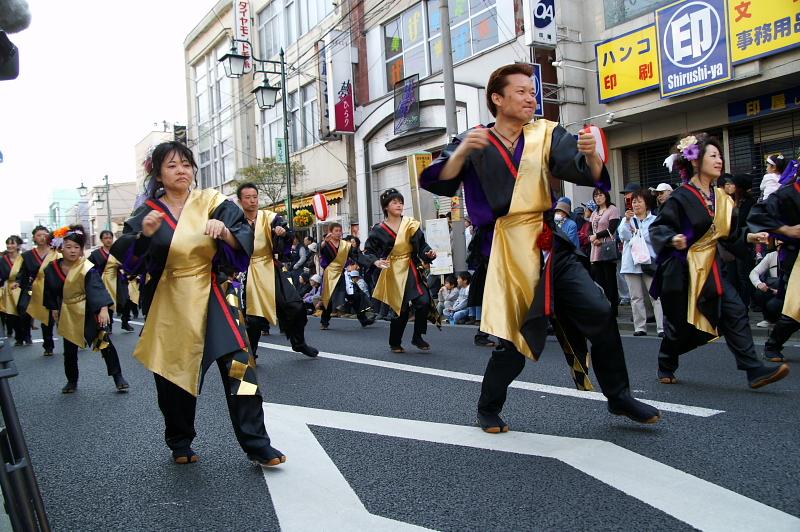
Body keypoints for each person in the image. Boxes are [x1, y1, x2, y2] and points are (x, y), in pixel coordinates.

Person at [420, 63, 660, 430]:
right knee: (515, 342)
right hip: (504, 249)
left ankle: (619, 396)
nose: (531, 97)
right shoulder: (475, 138)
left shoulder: (546, 133)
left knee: (598, 308)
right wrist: (460, 153)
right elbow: (437, 181)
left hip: (549, 243)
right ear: (497, 99)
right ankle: (488, 406)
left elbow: (583, 169)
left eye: (533, 91)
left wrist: (593, 154)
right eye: (521, 91)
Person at [111, 141, 285, 467]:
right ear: (159, 175)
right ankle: (179, 439)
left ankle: (257, 443)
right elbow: (129, 261)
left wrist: (227, 234)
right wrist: (145, 236)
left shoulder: (211, 202)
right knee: (173, 377)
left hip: (214, 291)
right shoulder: (148, 211)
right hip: (170, 299)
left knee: (240, 368)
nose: (182, 170)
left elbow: (240, 235)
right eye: (172, 166)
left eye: (186, 164)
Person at [650, 133, 789, 388]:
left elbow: (731, 235)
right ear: (695, 161)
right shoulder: (681, 197)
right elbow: (658, 228)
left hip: (713, 268)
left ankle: (754, 370)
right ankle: (666, 360)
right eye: (713, 155)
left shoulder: (722, 198)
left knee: (735, 312)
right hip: (684, 271)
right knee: (680, 326)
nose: (719, 160)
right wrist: (673, 239)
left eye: (720, 155)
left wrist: (749, 237)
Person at [236, 182, 319, 361]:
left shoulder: (270, 217)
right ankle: (252, 353)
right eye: (248, 198)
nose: (252, 201)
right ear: (240, 201)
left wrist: (283, 233)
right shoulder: (235, 220)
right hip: (247, 270)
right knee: (254, 318)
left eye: (255, 197)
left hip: (269, 266)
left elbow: (289, 234)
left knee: (295, 304)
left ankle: (298, 342)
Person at [43, 225, 129, 394]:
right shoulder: (51, 269)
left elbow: (96, 288)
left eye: (77, 247)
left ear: (82, 250)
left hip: (89, 309)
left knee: (104, 343)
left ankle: (118, 377)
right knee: (69, 350)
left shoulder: (86, 267)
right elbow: (50, 291)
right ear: (60, 248)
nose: (73, 251)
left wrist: (103, 309)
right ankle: (72, 381)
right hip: (67, 311)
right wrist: (53, 308)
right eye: (68, 247)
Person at [363, 188, 439, 353]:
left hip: (411, 267)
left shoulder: (410, 224)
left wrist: (428, 253)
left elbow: (422, 245)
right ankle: (395, 341)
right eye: (394, 202)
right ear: (386, 207)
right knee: (400, 309)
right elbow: (368, 251)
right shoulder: (378, 229)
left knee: (424, 302)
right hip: (392, 272)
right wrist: (375, 261)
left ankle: (417, 336)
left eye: (400, 202)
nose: (399, 205)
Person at [748, 169, 800, 363]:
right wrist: (786, 230)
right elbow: (757, 214)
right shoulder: (788, 194)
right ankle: (772, 345)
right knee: (795, 307)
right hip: (796, 259)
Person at [618, 189, 663, 337]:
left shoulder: (655, 220)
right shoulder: (627, 220)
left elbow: (656, 240)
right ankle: (640, 327)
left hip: (650, 262)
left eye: (639, 201)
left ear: (647, 203)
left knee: (655, 296)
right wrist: (626, 221)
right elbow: (623, 236)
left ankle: (661, 327)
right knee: (636, 297)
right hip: (631, 263)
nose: (636, 204)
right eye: (634, 202)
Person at [319, 223, 374, 329]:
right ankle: (324, 322)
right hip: (330, 275)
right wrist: (324, 243)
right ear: (330, 231)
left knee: (353, 295)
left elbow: (356, 255)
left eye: (340, 231)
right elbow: (321, 252)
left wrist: (371, 261)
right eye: (336, 231)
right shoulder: (326, 244)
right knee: (329, 299)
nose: (339, 233)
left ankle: (363, 319)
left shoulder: (345, 245)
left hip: (342, 273)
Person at [17, 225, 59, 355]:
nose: (42, 237)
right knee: (24, 311)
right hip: (34, 288)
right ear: (34, 238)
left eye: (45, 234)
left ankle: (49, 346)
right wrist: (18, 283)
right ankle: (26, 335)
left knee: (49, 318)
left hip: (52, 288)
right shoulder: (27, 255)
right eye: (39, 235)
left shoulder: (56, 253)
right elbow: (23, 273)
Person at [88, 230, 134, 332]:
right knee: (108, 303)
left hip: (119, 279)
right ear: (101, 240)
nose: (108, 240)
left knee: (126, 300)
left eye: (110, 238)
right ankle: (109, 325)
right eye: (105, 238)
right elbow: (89, 267)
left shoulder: (118, 251)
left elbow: (127, 262)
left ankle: (125, 322)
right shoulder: (96, 254)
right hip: (105, 280)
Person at [589, 187, 621, 316]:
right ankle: (604, 308)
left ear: (606, 196)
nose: (598, 197)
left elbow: (612, 229)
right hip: (595, 250)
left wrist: (597, 237)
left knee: (610, 280)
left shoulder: (612, 210)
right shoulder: (594, 213)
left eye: (600, 195)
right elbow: (590, 229)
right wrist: (593, 238)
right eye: (595, 195)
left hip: (607, 249)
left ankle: (613, 308)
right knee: (599, 281)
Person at [0, 235, 30, 345]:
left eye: (12, 243)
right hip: (8, 288)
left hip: (22, 287)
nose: (9, 245)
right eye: (8, 243)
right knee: (11, 315)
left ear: (18, 245)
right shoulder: (3, 260)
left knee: (24, 312)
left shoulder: (23, 258)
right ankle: (18, 337)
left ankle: (27, 335)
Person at [749, 248, 781, 328]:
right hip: (775, 289)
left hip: (792, 292)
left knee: (774, 304)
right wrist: (759, 284)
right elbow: (754, 273)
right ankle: (769, 319)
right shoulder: (771, 255)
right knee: (760, 292)